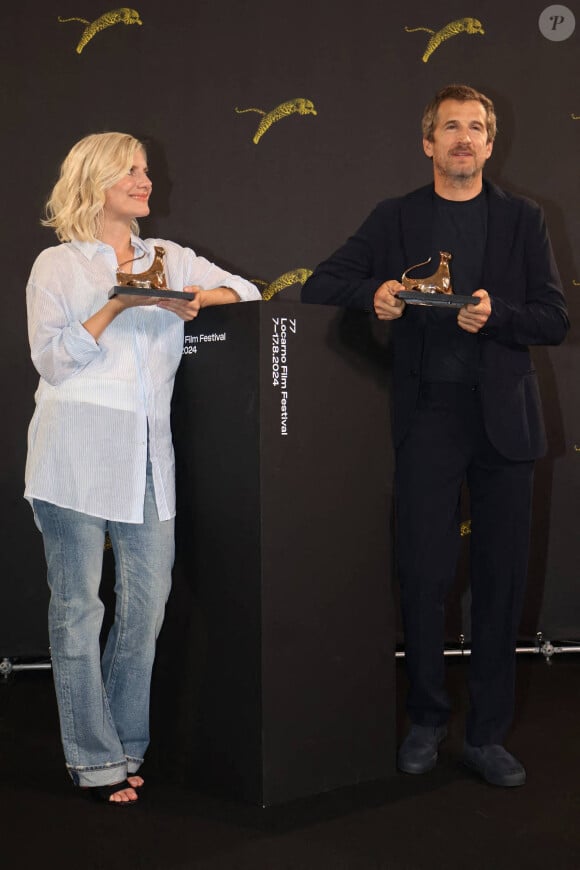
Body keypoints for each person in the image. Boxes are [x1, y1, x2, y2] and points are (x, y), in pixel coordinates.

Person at [301, 84, 569, 787]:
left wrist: (498, 313)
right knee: (423, 577)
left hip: (507, 425)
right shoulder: (394, 219)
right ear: (428, 143)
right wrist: (378, 294)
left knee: (501, 584)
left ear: (489, 143)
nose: (463, 138)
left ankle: (486, 735)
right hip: (427, 422)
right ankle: (425, 718)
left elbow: (554, 318)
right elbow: (324, 283)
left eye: (475, 128)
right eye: (450, 126)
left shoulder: (524, 220)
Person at [25, 132, 261, 805]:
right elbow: (52, 361)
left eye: (146, 171)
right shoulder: (58, 265)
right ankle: (92, 759)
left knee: (147, 608)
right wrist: (117, 306)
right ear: (95, 181)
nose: (144, 181)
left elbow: (243, 292)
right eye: (131, 170)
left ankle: (128, 744)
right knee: (77, 610)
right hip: (73, 456)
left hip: (149, 457)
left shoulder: (169, 257)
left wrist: (188, 299)